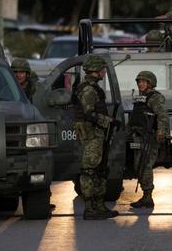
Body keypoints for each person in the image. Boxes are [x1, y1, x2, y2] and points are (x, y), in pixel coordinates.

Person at [73, 54, 119, 220]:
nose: (104, 72)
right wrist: (109, 121)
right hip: (92, 134)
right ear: (96, 70)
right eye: (102, 69)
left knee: (100, 170)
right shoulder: (88, 89)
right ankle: (90, 209)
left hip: (97, 134)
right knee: (90, 171)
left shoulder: (92, 88)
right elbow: (88, 113)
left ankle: (99, 206)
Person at [128, 71, 168, 209]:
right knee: (139, 165)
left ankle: (147, 197)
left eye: (143, 82)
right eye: (139, 82)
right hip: (139, 136)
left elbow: (162, 115)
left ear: (150, 83)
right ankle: (145, 196)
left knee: (145, 165)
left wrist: (161, 132)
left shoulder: (155, 97)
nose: (140, 84)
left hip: (149, 137)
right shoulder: (141, 98)